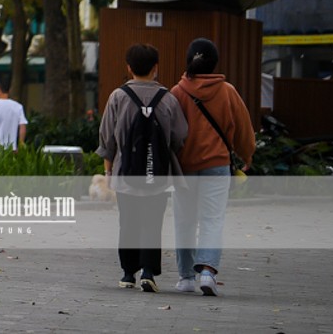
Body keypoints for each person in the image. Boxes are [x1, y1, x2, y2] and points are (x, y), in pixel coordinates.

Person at [96, 42, 187, 292]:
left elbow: (107, 139)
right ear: (155, 68)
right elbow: (180, 136)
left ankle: (127, 274)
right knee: (152, 223)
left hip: (126, 175)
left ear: (129, 67)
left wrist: (108, 172)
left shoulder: (117, 96)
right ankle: (148, 272)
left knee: (128, 222)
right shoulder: (168, 98)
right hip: (158, 175)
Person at [169, 37, 255, 297]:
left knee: (184, 221)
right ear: (215, 63)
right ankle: (207, 272)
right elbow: (243, 128)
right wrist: (246, 154)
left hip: (184, 168)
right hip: (217, 165)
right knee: (212, 219)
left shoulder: (177, 93)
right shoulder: (227, 91)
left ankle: (185, 278)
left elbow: (169, 132)